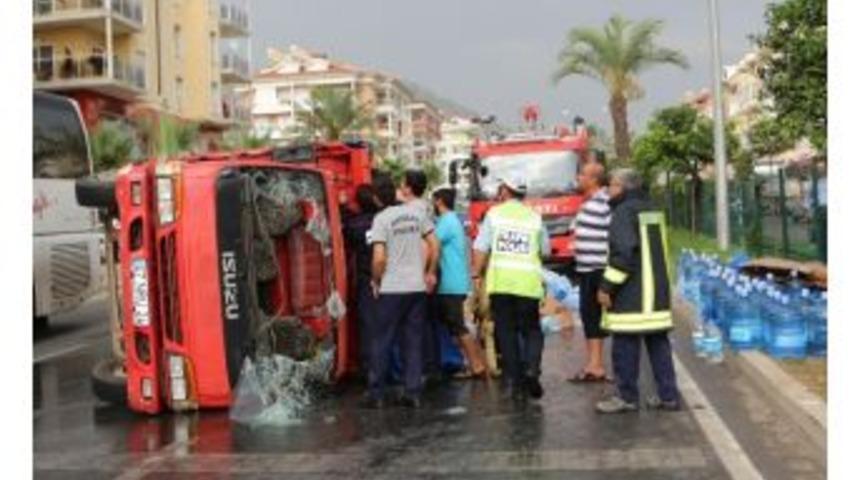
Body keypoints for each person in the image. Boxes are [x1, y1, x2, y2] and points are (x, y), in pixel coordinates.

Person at [595, 168, 681, 414]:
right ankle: (668, 396)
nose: (607, 190)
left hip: (632, 293)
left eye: (610, 185)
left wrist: (606, 287)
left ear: (622, 187)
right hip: (656, 291)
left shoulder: (623, 212)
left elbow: (624, 255)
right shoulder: (651, 208)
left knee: (624, 345)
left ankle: (626, 397)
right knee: (658, 344)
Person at [364, 170, 439, 409]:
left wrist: (376, 281)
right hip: (416, 288)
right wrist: (429, 272)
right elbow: (434, 244)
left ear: (376, 198)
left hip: (392, 289)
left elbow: (378, 259)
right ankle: (412, 392)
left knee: (381, 341)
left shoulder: (381, 219)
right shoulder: (416, 214)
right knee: (413, 341)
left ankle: (377, 394)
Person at [472, 176, 550, 402]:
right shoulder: (535, 218)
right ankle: (532, 370)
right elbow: (544, 250)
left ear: (506, 190)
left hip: (502, 284)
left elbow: (480, 248)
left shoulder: (494, 215)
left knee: (506, 332)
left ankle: (513, 382)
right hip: (528, 284)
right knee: (532, 330)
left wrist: (476, 274)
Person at [431, 187, 487, 379]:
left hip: (450, 282)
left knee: (457, 326)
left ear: (438, 201)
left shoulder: (446, 222)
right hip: (454, 282)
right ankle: (469, 363)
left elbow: (432, 245)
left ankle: (477, 366)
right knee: (453, 325)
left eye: (433, 200)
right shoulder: (452, 220)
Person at [566, 162, 612, 383]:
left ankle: (602, 365)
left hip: (600, 269)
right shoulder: (589, 202)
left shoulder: (604, 203)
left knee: (603, 318)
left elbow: (614, 235)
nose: (578, 177)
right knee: (589, 316)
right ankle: (594, 365)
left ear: (593, 179)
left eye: (582, 174)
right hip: (586, 269)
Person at [342, 184, 381, 376]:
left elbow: (345, 230)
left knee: (368, 327)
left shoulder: (356, 224)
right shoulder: (386, 220)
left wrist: (343, 209)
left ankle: (371, 372)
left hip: (367, 281)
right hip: (391, 280)